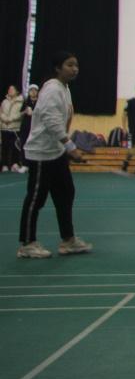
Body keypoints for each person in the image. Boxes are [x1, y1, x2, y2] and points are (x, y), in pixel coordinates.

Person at [16, 52, 91, 258]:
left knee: (65, 193)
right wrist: (70, 146)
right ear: (58, 68)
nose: (74, 69)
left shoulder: (64, 89)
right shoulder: (51, 89)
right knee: (36, 198)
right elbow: (51, 121)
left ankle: (68, 240)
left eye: (76, 65)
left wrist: (65, 147)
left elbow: (62, 121)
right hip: (41, 153)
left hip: (56, 152)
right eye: (69, 65)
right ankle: (27, 244)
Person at [17, 84, 39, 170]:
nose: (33, 92)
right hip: (25, 127)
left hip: (35, 128)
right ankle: (25, 165)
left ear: (37, 92)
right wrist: (25, 112)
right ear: (29, 92)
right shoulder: (26, 102)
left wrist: (33, 113)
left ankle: (34, 165)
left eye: (35, 90)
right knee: (24, 145)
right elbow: (20, 114)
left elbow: (42, 114)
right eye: (31, 90)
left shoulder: (40, 102)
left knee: (35, 146)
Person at [1, 85, 23, 171]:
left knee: (15, 147)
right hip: (4, 128)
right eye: (9, 89)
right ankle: (5, 165)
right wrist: (5, 119)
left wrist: (10, 119)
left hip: (15, 128)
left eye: (12, 89)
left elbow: (21, 114)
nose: (10, 90)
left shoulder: (21, 101)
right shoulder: (4, 102)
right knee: (5, 147)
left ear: (17, 91)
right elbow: (1, 112)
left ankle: (15, 164)